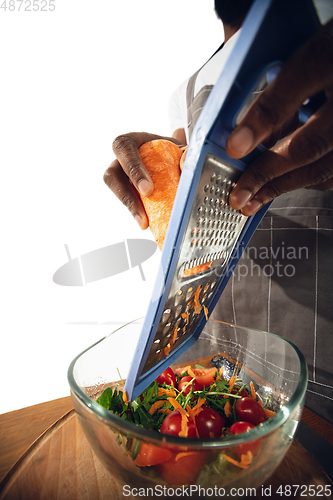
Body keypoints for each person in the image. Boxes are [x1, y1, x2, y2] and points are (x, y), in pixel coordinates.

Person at [104, 1, 333, 424]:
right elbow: (193, 167)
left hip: (319, 375)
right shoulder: (187, 91)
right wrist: (168, 162)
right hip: (210, 362)